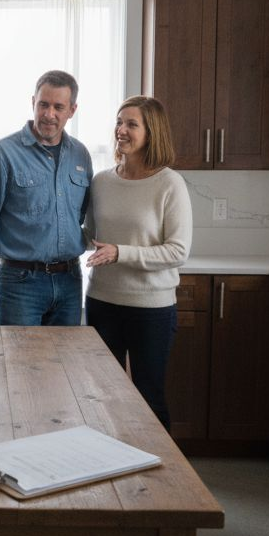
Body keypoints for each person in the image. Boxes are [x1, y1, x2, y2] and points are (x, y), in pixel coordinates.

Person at [84, 95, 192, 429]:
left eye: (132, 124)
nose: (121, 130)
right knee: (103, 396)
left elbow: (178, 251)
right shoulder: (102, 181)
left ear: (151, 132)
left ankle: (158, 464)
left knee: (149, 398)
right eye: (119, 122)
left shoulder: (169, 184)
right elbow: (89, 234)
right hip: (102, 302)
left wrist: (121, 252)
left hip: (151, 309)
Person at [0, 70, 92, 326]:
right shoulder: (1, 154)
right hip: (20, 284)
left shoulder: (80, 155)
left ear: (72, 110)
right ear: (33, 102)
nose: (49, 114)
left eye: (58, 107)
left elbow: (82, 218)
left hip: (70, 282)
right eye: (43, 104)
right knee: (18, 354)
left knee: (68, 354)